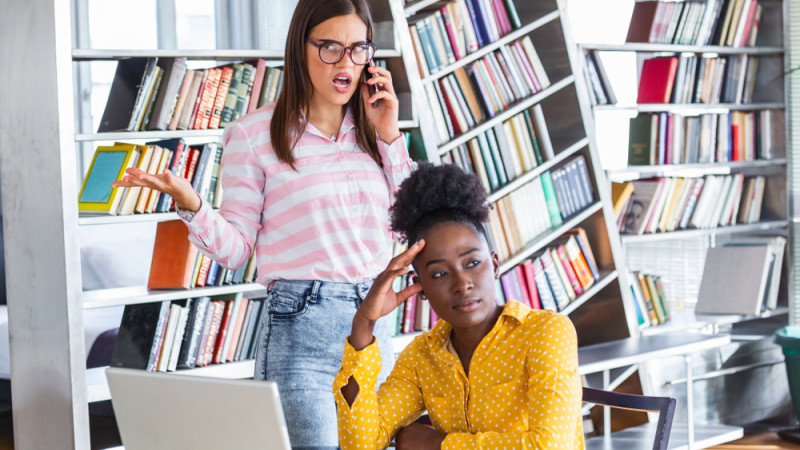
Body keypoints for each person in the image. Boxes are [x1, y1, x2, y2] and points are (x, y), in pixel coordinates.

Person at [112, 0, 414, 446]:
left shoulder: (375, 134)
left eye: (358, 49)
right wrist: (192, 204)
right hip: (300, 337)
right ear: (300, 48)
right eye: (330, 47)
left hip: (374, 333)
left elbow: (412, 226)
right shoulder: (253, 136)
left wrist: (389, 135)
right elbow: (235, 251)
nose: (345, 62)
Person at [333, 163, 585, 449]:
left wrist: (440, 445)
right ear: (421, 288)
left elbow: (551, 446)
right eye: (440, 273)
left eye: (472, 263)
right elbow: (360, 443)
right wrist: (364, 323)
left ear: (495, 265)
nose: (462, 283)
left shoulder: (546, 333)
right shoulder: (421, 357)